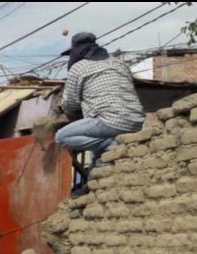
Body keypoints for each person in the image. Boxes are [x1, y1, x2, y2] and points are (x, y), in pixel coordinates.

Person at [56, 32, 145, 169]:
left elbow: (70, 104)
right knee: (98, 161)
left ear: (77, 52)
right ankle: (92, 185)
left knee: (62, 137)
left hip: (110, 122)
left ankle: (110, 144)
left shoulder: (78, 67)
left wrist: (70, 114)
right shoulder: (119, 63)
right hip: (136, 122)